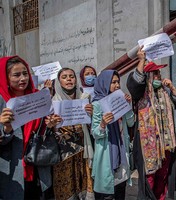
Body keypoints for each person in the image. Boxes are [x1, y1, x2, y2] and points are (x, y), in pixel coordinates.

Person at [126, 46, 176, 200]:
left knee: (164, 174)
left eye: (159, 72)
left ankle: (161, 197)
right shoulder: (141, 94)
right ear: (148, 75)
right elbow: (134, 84)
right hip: (149, 148)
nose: (158, 75)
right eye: (155, 73)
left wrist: (172, 87)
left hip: (165, 145)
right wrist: (141, 60)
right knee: (149, 177)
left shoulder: (164, 92)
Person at [0, 56, 59, 199]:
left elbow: (41, 130)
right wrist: (6, 128)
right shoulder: (2, 101)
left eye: (25, 73)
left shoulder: (36, 97)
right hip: (12, 170)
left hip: (37, 166)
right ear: (5, 77)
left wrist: (50, 125)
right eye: (16, 75)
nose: (23, 79)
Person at [52, 67, 94, 200]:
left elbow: (92, 125)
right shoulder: (55, 102)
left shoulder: (85, 98)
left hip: (83, 150)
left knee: (84, 184)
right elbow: (51, 130)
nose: (69, 79)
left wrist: (92, 114)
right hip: (64, 154)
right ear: (59, 82)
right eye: (64, 77)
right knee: (67, 187)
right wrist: (53, 124)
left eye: (71, 76)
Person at [91, 70, 134, 200]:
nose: (117, 85)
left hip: (121, 149)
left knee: (120, 188)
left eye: (118, 82)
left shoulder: (120, 100)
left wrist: (128, 105)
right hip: (106, 153)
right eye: (113, 82)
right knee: (106, 191)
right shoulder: (97, 104)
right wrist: (103, 124)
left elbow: (131, 122)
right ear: (104, 84)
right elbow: (96, 133)